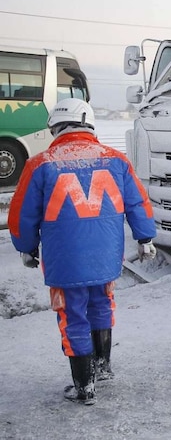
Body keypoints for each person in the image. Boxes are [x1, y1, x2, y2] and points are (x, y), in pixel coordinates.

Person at [8, 98, 157, 406]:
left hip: (65, 262)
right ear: (87, 122)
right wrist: (145, 238)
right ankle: (103, 368)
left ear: (56, 128)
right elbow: (137, 202)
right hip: (105, 258)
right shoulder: (115, 160)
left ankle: (83, 386)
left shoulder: (40, 164)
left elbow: (22, 213)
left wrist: (26, 247)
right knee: (102, 305)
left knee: (73, 315)